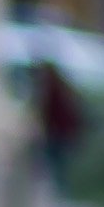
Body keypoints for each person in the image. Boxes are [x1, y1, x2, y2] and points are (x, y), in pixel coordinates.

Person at [32, 56, 84, 198]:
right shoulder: (60, 88)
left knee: (56, 165)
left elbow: (50, 113)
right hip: (60, 134)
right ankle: (59, 192)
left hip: (58, 134)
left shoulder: (53, 90)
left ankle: (59, 194)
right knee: (58, 165)